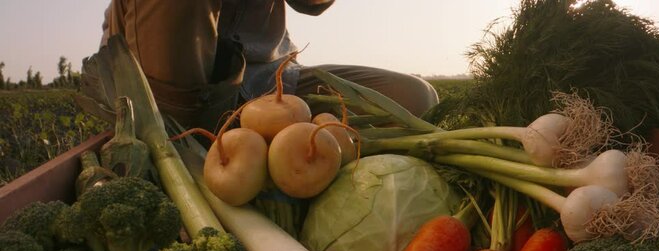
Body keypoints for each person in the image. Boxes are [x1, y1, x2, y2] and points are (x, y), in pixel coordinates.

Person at [89, 0, 439, 131]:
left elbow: (314, 4)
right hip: (172, 86)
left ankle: (254, 139)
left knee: (414, 98)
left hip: (270, 81)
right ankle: (184, 146)